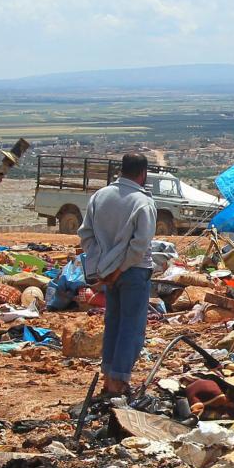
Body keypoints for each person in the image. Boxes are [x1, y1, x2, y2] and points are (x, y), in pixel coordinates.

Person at [78, 153, 157, 400]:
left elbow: (86, 235)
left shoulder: (99, 197)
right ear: (142, 173)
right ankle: (118, 382)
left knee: (113, 322)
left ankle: (108, 376)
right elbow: (140, 244)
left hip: (108, 272)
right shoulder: (142, 202)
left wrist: (102, 267)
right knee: (131, 328)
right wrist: (120, 268)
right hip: (133, 271)